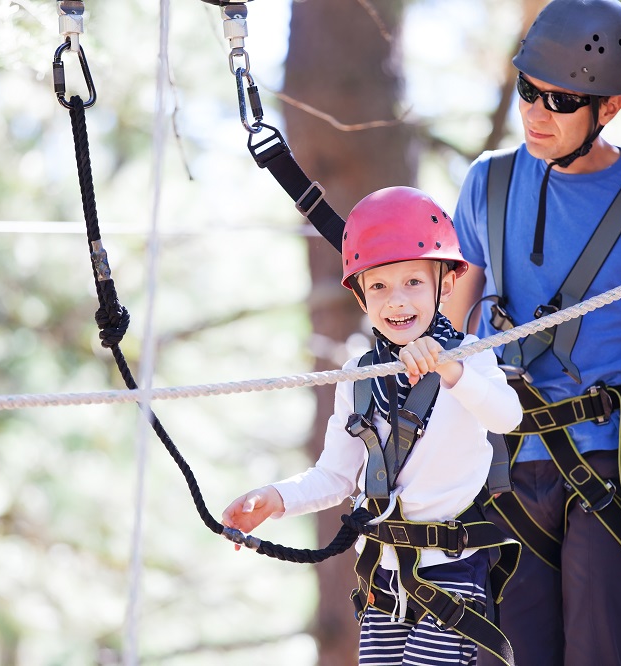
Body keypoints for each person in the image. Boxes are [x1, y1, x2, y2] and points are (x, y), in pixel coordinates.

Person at [442, 1, 621, 665]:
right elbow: (448, 335)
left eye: (559, 100)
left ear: (611, 108)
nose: (535, 113)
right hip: (502, 468)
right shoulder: (488, 183)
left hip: (606, 467)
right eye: (527, 90)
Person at [222, 186, 524, 666]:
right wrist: (277, 498)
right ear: (361, 296)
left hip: (449, 571)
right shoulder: (360, 376)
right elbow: (337, 476)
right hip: (381, 579)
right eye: (379, 286)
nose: (396, 301)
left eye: (412, 283)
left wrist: (452, 372)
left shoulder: (470, 356)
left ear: (444, 284)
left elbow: (507, 416)